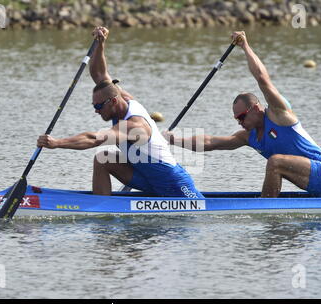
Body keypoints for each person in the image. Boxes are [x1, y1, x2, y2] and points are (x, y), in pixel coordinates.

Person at [164, 31, 321, 198]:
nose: (239, 123)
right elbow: (211, 142)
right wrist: (172, 139)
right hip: (316, 184)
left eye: (242, 117)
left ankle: (266, 210)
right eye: (236, 119)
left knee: (275, 162)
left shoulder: (279, 115)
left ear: (256, 108)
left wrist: (245, 46)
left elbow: (263, 79)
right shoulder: (249, 136)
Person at [37, 26, 203, 198]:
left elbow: (94, 139)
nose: (96, 111)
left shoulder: (135, 126)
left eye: (99, 107)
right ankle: (101, 208)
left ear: (113, 102)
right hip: (147, 177)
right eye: (94, 106)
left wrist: (57, 143)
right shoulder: (121, 97)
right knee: (103, 158)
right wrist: (100, 44)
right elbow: (100, 75)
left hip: (173, 184)